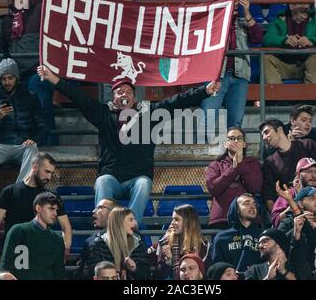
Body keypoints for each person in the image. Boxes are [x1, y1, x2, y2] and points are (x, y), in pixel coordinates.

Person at [37, 66, 219, 224]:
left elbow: (177, 102)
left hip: (136, 178)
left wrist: (205, 90)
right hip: (112, 177)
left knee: (143, 183)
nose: (124, 94)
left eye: (129, 92)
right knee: (102, 181)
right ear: (113, 97)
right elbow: (79, 97)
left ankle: (130, 227)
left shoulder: (149, 115)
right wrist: (53, 78)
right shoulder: (103, 114)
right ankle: (104, 229)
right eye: (120, 92)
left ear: (134, 98)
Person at [0, 58, 47, 197]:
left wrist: (34, 139)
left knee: (33, 149)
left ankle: (21, 188)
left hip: (22, 145)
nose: (7, 82)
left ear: (16, 78)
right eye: (4, 79)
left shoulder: (30, 97)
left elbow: (43, 125)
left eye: (10, 78)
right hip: (2, 146)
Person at [0, 152, 71, 271]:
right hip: (16, 251)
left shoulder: (51, 197)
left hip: (40, 252)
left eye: (51, 173)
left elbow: (66, 227)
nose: (49, 177)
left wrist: (65, 251)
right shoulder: (10, 191)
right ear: (34, 167)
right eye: (46, 171)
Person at [200, 0, 263, 132]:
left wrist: (247, 12)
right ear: (219, 1)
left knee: (235, 122)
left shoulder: (242, 21)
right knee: (207, 118)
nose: (234, 0)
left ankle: (234, 154)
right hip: (215, 76)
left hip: (239, 76)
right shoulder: (209, 21)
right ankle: (201, 154)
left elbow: (258, 37)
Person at [2, 0, 56, 144]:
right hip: (19, 74)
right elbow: (5, 48)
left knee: (40, 103)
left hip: (38, 70)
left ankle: (49, 147)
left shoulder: (41, 9)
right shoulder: (8, 19)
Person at [259, 118, 316, 213]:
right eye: (262, 135)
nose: (264, 138)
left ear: (279, 130)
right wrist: (277, 217)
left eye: (266, 132)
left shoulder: (307, 145)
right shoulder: (269, 162)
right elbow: (269, 195)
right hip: (290, 210)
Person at [263, 0, 316, 84]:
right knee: (266, 58)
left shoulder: (315, 24)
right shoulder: (278, 22)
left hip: (305, 66)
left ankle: (310, 95)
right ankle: (276, 95)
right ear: (291, 6)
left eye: (307, 4)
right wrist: (284, 40)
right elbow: (267, 39)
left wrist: (311, 41)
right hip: (283, 65)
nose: (305, 7)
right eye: (301, 4)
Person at [206, 127, 262, 229]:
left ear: (244, 144)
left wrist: (240, 164)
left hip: (248, 218)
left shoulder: (253, 163)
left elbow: (255, 187)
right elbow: (213, 188)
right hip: (222, 218)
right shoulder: (215, 165)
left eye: (239, 138)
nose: (235, 141)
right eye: (231, 138)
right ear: (225, 144)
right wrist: (234, 168)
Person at [0, 192, 66, 280]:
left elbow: (59, 273)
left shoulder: (57, 239)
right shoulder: (18, 231)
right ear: (38, 208)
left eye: (56, 210)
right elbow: (6, 266)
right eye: (51, 209)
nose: (55, 213)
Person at [80, 207, 150, 280]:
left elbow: (146, 276)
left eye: (134, 219)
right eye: (131, 220)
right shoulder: (97, 245)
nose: (135, 223)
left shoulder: (138, 243)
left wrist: (134, 269)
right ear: (119, 222)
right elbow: (90, 273)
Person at [271, 157, 316, 228]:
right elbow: (276, 222)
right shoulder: (289, 193)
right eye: (309, 172)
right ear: (298, 174)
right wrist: (295, 200)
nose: (313, 176)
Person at [277, 185, 316, 264]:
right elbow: (279, 246)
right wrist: (296, 230)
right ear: (300, 204)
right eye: (312, 198)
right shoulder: (287, 224)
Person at [156, 204, 211, 280]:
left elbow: (206, 274)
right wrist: (168, 261)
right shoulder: (165, 241)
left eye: (177, 219)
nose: (172, 223)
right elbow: (159, 275)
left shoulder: (203, 245)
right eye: (172, 219)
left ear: (187, 222)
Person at [211, 194, 261, 273]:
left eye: (254, 204)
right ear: (237, 209)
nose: (252, 206)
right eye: (246, 203)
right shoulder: (222, 238)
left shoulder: (263, 235)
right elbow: (217, 268)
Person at [76, 198, 120, 280]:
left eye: (100, 207)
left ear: (113, 214)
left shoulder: (135, 239)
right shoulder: (90, 242)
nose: (93, 211)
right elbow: (82, 274)